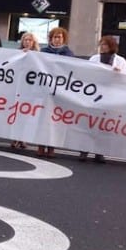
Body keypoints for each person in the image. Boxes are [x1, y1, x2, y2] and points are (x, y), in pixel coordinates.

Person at [80, 36, 126, 163]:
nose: (103, 47)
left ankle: (99, 152)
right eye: (101, 44)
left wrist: (119, 73)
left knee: (103, 126)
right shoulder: (94, 58)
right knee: (90, 123)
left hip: (110, 96)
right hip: (95, 94)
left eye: (105, 45)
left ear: (111, 46)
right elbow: (88, 73)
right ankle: (84, 150)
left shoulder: (120, 61)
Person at [37, 27, 74, 157]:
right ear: (50, 39)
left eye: (59, 37)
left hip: (59, 91)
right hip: (45, 89)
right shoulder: (44, 51)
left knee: (55, 121)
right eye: (54, 37)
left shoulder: (68, 53)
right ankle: (40, 145)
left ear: (63, 39)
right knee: (43, 119)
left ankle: (51, 148)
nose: (57, 40)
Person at [11, 32, 40, 150]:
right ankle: (15, 138)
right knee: (16, 115)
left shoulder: (39, 56)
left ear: (33, 43)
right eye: (25, 40)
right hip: (18, 88)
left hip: (30, 90)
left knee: (26, 116)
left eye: (30, 40)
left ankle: (23, 139)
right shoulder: (17, 54)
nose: (27, 42)